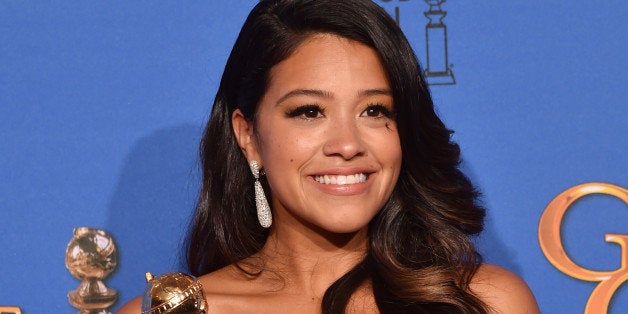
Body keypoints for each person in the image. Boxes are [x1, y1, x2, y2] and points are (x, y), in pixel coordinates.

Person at [119, 0, 539, 313]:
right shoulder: (176, 310)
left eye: (375, 111)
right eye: (309, 112)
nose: (348, 143)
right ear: (247, 134)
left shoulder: (484, 302)